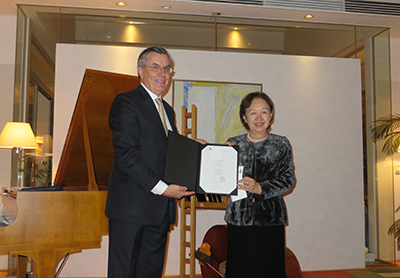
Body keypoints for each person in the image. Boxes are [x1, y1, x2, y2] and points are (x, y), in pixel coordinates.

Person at [105, 46, 195, 278]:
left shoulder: (167, 110)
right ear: (140, 70)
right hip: (131, 210)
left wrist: (196, 148)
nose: (162, 74)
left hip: (159, 211)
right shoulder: (126, 102)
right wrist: (164, 189)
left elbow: (167, 151)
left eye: (167, 68)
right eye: (155, 67)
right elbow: (127, 156)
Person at [224, 92, 295, 278]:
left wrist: (260, 188)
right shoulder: (233, 144)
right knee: (239, 269)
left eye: (264, 112)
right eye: (253, 112)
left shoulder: (281, 144)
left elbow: (288, 179)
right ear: (244, 117)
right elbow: (222, 179)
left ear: (271, 115)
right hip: (239, 217)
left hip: (270, 218)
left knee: (269, 269)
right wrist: (221, 158)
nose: (259, 117)